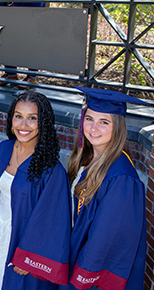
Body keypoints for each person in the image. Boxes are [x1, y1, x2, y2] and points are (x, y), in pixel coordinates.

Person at [0, 91, 71, 289]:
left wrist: (29, 256)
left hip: (24, 242)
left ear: (43, 123)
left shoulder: (51, 170)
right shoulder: (2, 150)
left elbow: (53, 220)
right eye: (18, 116)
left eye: (32, 118)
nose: (23, 125)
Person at [61, 87, 148, 290]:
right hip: (74, 253)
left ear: (117, 127)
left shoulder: (122, 178)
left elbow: (105, 240)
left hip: (90, 274)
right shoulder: (87, 159)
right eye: (89, 119)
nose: (93, 128)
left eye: (104, 122)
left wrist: (80, 280)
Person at [0, 2, 46, 88]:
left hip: (30, 10)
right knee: (6, 39)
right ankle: (11, 75)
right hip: (8, 9)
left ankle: (31, 77)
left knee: (31, 40)